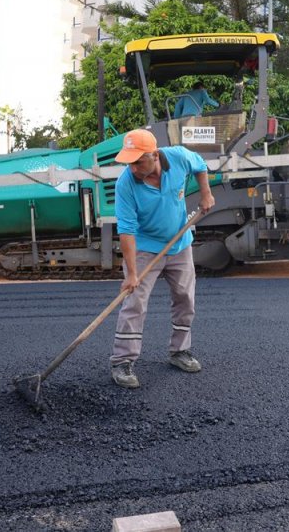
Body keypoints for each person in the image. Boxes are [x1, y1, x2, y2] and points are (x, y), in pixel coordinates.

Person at [109, 128, 215, 388]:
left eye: (137, 161)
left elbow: (200, 166)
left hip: (179, 245)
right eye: (129, 163)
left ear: (154, 155)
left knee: (185, 298)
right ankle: (122, 362)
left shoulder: (178, 157)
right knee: (134, 302)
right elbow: (126, 230)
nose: (133, 168)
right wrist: (132, 273)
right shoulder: (126, 184)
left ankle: (180, 351)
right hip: (145, 249)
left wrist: (205, 194)